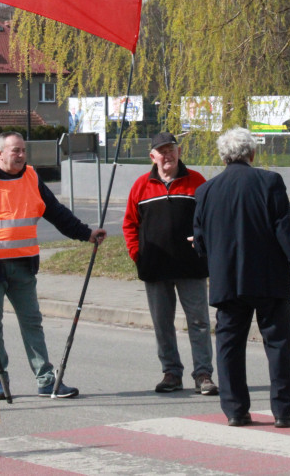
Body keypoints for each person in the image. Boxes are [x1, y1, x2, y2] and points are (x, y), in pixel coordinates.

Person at [0, 131, 107, 399]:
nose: (20, 155)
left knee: (32, 322)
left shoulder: (31, 177)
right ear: (0, 154)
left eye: (23, 150)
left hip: (23, 264)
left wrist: (85, 233)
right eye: (15, 150)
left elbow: (54, 211)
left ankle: (46, 379)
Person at [193, 128, 290, 429]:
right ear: (252, 153)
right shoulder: (269, 181)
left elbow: (199, 241)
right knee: (277, 343)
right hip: (268, 278)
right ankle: (283, 412)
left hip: (227, 281)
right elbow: (283, 227)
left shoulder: (205, 191)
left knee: (229, 346)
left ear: (224, 157)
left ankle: (236, 410)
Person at [123, 132, 216, 395]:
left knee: (199, 322)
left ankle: (203, 374)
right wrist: (137, 254)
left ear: (179, 151)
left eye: (171, 149)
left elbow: (210, 218)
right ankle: (171, 373)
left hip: (192, 266)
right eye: (161, 151)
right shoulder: (141, 186)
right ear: (152, 156)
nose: (167, 155)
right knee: (162, 323)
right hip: (155, 268)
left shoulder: (196, 181)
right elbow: (130, 224)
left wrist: (203, 244)